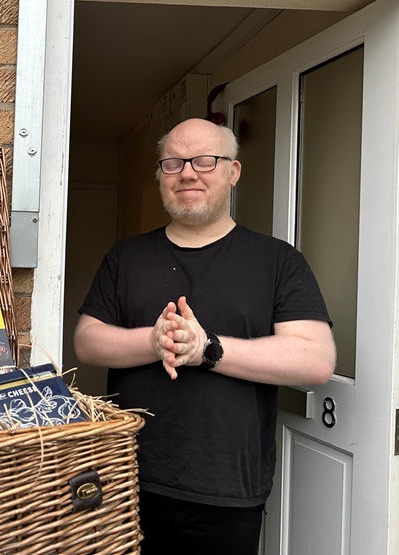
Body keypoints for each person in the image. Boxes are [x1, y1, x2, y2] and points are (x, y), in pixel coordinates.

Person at [73, 118, 336, 554]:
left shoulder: (277, 260)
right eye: (173, 163)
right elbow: (86, 341)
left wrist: (208, 349)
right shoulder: (126, 256)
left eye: (205, 161)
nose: (188, 173)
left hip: (226, 489)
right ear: (160, 175)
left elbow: (316, 360)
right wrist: (153, 341)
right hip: (126, 476)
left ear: (233, 172)